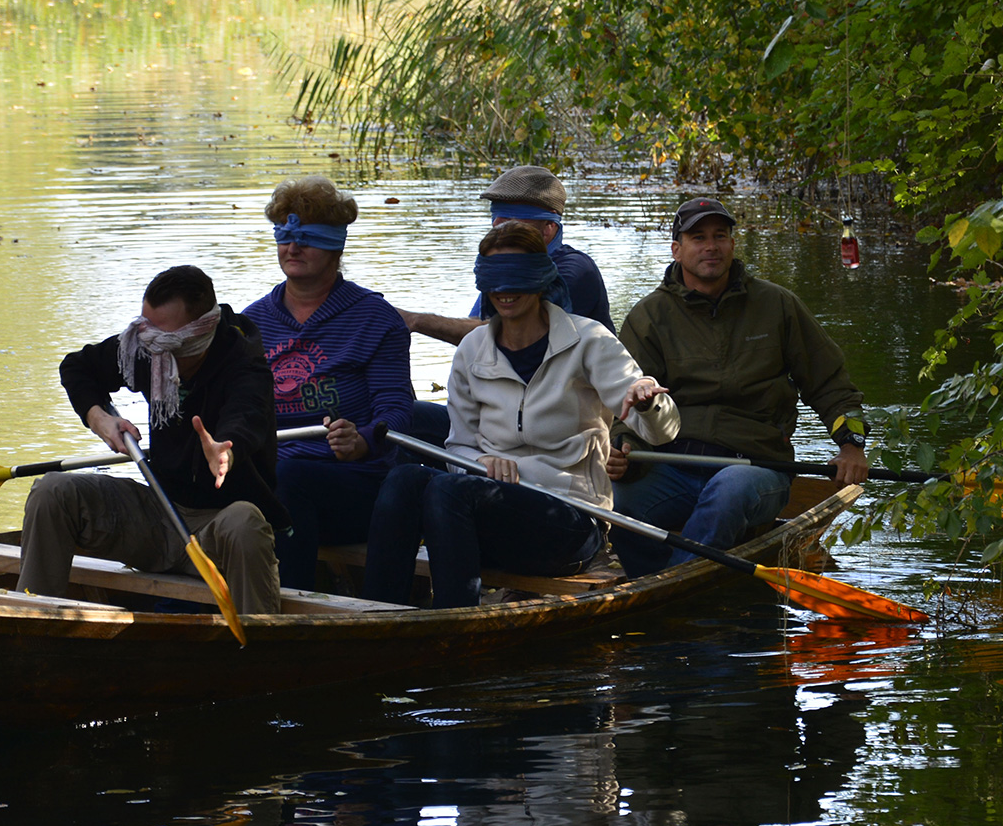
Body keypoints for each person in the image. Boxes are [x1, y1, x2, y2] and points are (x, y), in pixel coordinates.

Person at [364, 221, 680, 608]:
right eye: (494, 278)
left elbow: (662, 432)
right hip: (490, 512)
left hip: (570, 521)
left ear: (541, 277)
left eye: (516, 276)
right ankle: (379, 611)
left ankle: (455, 620)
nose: (504, 290)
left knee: (448, 490)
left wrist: (648, 403)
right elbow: (458, 445)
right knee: (405, 478)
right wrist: (480, 462)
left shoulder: (590, 341)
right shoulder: (472, 350)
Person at [607, 197, 871, 577]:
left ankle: (668, 586)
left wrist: (852, 445)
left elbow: (832, 384)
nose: (711, 246)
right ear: (677, 250)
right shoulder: (648, 317)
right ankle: (654, 581)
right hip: (673, 463)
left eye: (720, 236)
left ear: (733, 244)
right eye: (698, 237)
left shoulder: (778, 305)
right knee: (621, 504)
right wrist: (622, 448)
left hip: (756, 465)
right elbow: (628, 403)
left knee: (729, 491)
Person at [18, 265, 287, 613]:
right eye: (148, 335)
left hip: (217, 530)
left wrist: (225, 451)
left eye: (166, 341)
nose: (153, 349)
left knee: (246, 521)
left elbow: (245, 416)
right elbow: (77, 368)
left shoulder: (246, 368)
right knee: (51, 492)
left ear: (199, 334)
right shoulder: (148, 349)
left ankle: (261, 649)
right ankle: (33, 622)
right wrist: (100, 419)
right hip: (157, 513)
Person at [242, 176, 413, 590]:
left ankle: (290, 606)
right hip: (273, 480)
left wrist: (364, 440)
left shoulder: (375, 319)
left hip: (354, 485)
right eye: (284, 235)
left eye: (307, 237)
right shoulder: (251, 323)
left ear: (336, 244)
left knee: (288, 476)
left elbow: (398, 410)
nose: (292, 247)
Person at [397, 166, 613, 447]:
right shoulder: (502, 273)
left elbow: (494, 335)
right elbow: (477, 341)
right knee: (399, 418)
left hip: (557, 428)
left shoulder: (573, 271)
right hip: (503, 415)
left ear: (549, 229)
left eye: (513, 219)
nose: (498, 226)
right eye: (496, 217)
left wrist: (415, 321)